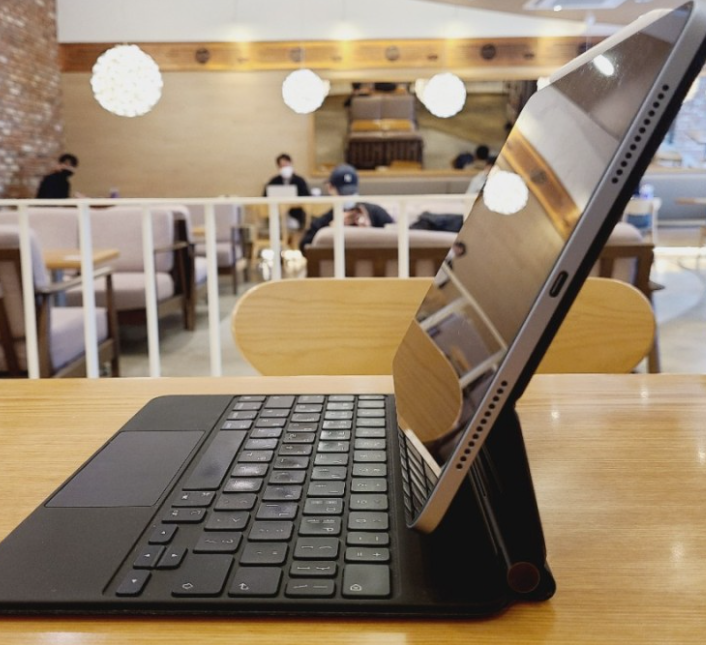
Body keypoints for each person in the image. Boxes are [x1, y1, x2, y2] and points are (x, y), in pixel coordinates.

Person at [299, 164, 394, 250]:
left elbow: (395, 236)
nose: (348, 197)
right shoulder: (325, 220)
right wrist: (329, 231)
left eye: (351, 193)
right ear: (330, 188)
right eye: (344, 193)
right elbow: (305, 247)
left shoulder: (376, 213)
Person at [263, 153, 310, 229]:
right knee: (276, 225)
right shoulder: (274, 181)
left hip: (295, 214)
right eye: (282, 166)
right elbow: (265, 196)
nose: (284, 168)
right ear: (278, 167)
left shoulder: (299, 181)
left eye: (286, 165)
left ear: (291, 164)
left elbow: (306, 196)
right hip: (277, 215)